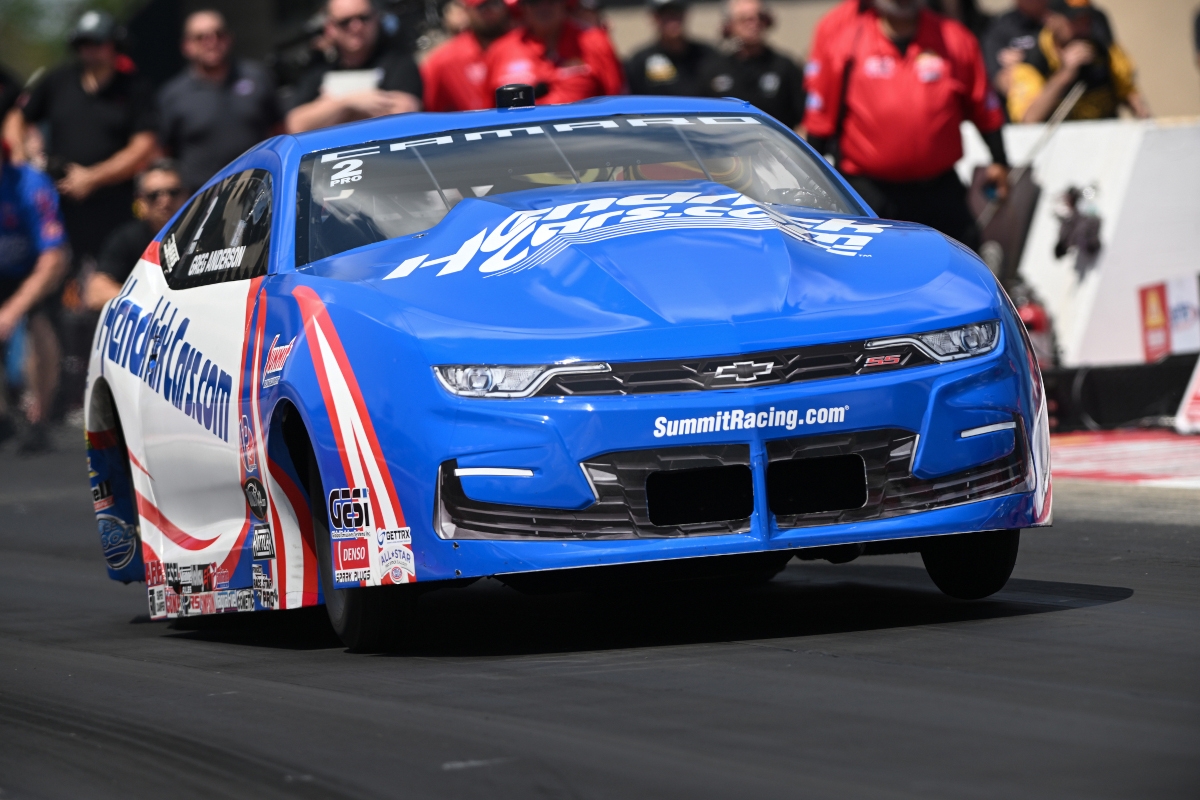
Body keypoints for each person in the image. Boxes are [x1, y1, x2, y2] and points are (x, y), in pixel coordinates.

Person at [804, 0, 1009, 252]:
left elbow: (984, 106)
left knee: (963, 262)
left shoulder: (955, 39)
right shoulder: (844, 41)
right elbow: (820, 118)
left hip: (938, 191)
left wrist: (1000, 160)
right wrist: (808, 178)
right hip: (869, 193)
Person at [8, 11, 157, 272]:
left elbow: (143, 145)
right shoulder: (58, 80)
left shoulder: (135, 88)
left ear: (114, 45)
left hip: (115, 204)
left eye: (98, 43)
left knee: (112, 271)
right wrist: (23, 161)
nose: (90, 51)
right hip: (59, 202)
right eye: (83, 44)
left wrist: (91, 178)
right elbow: (17, 117)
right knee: (60, 274)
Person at [158, 10, 283, 192]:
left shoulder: (257, 76)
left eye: (218, 34)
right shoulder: (172, 96)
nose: (211, 42)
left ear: (229, 39)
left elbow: (280, 130)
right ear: (187, 46)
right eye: (201, 37)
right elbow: (163, 154)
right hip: (204, 199)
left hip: (262, 189)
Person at [0, 144, 69, 451]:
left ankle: (38, 418)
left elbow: (53, 256)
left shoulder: (30, 184)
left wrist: (12, 310)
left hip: (36, 266)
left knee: (40, 322)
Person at [286, 0, 423, 134]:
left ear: (376, 18)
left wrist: (326, 110)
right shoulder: (318, 71)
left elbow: (406, 112)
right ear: (330, 28)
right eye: (345, 22)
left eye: (363, 18)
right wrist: (348, 103)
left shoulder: (398, 62)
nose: (356, 27)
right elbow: (296, 124)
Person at [1005, 0, 1149, 123]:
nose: (1083, 28)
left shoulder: (1104, 47)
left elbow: (1128, 90)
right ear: (1051, 19)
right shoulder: (1032, 61)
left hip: (1106, 138)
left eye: (1087, 20)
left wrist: (1143, 116)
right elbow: (1028, 119)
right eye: (1074, 21)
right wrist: (1065, 74)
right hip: (1059, 142)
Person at [85, 161, 186, 311]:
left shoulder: (202, 235)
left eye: (173, 192)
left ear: (187, 195)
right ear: (141, 200)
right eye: (154, 195)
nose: (165, 201)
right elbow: (95, 293)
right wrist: (148, 305)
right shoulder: (127, 238)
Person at [485, 0, 624, 104]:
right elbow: (488, 111)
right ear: (523, 7)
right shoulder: (499, 51)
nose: (543, 7)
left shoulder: (595, 42)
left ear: (564, 3)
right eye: (534, 1)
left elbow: (617, 100)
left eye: (551, 0)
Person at [698, 0, 806, 131]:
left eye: (759, 17)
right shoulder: (713, 70)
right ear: (729, 25)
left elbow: (804, 118)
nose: (754, 24)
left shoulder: (784, 67)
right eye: (745, 19)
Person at [421, 0, 511, 112]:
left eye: (496, 4)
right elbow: (429, 109)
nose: (491, 11)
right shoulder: (445, 60)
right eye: (483, 7)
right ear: (466, 11)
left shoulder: (526, 44)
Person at [625, 0, 717, 97]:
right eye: (665, 14)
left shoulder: (708, 56)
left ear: (685, 14)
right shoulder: (639, 63)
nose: (672, 20)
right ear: (654, 18)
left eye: (677, 12)